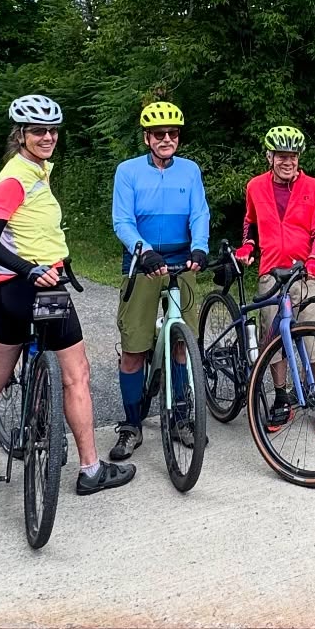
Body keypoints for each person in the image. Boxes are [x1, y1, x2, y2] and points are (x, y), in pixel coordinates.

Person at [0, 94, 134, 497]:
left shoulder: (33, 172)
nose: (48, 136)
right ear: (20, 135)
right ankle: (90, 470)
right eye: (38, 131)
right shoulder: (15, 179)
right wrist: (32, 269)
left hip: (9, 292)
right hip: (36, 288)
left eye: (52, 130)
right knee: (76, 374)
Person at [109, 100, 211, 462]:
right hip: (142, 262)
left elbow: (200, 211)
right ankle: (131, 424)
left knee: (182, 344)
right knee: (135, 348)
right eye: (159, 134)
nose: (167, 138)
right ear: (147, 138)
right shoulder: (128, 171)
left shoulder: (190, 170)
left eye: (173, 133)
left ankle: (181, 417)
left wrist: (200, 248)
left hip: (182, 259)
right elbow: (122, 220)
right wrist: (143, 250)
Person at [234, 125, 315, 432]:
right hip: (271, 272)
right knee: (274, 338)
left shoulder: (314, 187)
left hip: (307, 273)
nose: (287, 162)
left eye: (292, 156)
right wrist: (248, 245)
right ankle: (281, 397)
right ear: (270, 157)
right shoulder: (255, 186)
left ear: (298, 157)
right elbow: (250, 223)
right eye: (281, 156)